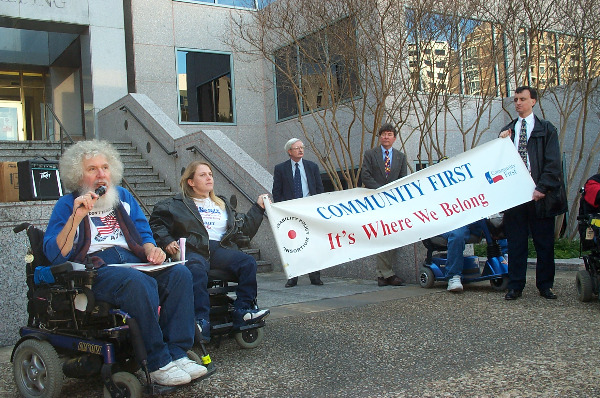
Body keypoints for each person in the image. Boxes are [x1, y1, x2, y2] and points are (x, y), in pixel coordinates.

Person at [43, 140, 205, 387]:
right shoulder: (67, 205)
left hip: (132, 260)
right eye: (92, 169)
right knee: (137, 283)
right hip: (95, 268)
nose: (101, 174)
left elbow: (143, 233)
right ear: (78, 176)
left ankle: (178, 353)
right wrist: (76, 217)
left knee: (180, 274)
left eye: (105, 167)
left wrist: (152, 249)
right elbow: (55, 254)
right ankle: (157, 361)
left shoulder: (124, 197)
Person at [149, 161, 270, 342]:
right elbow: (157, 224)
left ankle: (243, 311)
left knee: (247, 262)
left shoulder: (221, 203)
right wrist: (167, 241)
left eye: (210, 174)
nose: (209, 178)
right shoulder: (174, 204)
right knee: (196, 269)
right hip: (193, 248)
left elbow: (243, 229)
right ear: (191, 181)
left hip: (220, 248)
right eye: (203, 175)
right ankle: (201, 320)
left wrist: (258, 208)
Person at [499, 86, 567, 300]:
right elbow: (499, 164)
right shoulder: (507, 131)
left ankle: (545, 285)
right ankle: (515, 286)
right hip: (515, 196)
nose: (518, 103)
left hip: (540, 197)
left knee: (544, 244)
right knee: (516, 243)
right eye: (516, 99)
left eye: (523, 99)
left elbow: (553, 164)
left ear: (534, 101)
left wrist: (542, 188)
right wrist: (501, 142)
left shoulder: (547, 129)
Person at [272, 138, 325, 287]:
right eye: (297, 148)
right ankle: (293, 276)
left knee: (312, 243)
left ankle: (315, 276)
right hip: (290, 211)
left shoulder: (312, 167)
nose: (301, 150)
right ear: (289, 151)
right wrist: (282, 210)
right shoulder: (281, 169)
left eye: (302, 147)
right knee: (293, 243)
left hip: (309, 209)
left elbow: (319, 189)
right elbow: (277, 191)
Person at [362, 123, 408, 286]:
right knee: (381, 234)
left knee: (392, 234)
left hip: (394, 202)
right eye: (383, 134)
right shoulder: (370, 154)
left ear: (394, 138)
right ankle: (387, 274)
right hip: (376, 200)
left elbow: (403, 178)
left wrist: (392, 195)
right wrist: (381, 192)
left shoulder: (400, 157)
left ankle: (383, 275)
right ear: (379, 137)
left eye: (389, 134)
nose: (386, 137)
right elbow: (365, 176)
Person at [442, 223, 485, 292]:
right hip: (448, 222)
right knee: (457, 235)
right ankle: (453, 276)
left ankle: (505, 257)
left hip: (468, 221)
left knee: (496, 224)